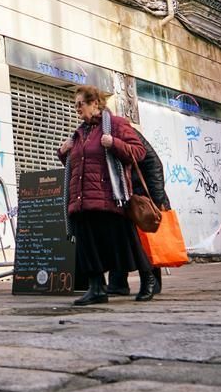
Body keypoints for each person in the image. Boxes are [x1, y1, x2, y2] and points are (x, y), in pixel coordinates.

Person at [57, 85, 151, 306]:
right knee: (88, 247)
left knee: (125, 244)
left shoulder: (116, 125)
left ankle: (148, 280)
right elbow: (80, 165)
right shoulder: (80, 132)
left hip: (110, 197)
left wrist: (115, 143)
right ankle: (97, 288)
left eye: (81, 104)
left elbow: (139, 152)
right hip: (82, 199)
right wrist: (64, 152)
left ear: (95, 103)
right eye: (75, 105)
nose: (77, 108)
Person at [107, 123, 170, 297]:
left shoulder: (123, 131)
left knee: (146, 241)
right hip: (123, 196)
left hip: (142, 197)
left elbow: (154, 163)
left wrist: (155, 201)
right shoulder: (102, 136)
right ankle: (117, 283)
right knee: (122, 238)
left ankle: (153, 282)